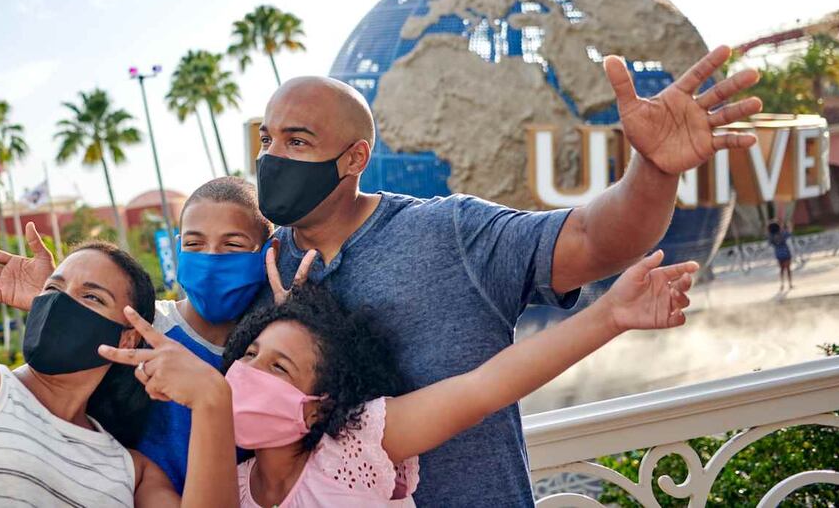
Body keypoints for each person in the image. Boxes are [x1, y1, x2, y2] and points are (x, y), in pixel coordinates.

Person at [248, 45, 759, 506]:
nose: (272, 157)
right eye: (268, 139)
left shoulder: (449, 232)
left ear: (356, 157)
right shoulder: (259, 268)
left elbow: (595, 241)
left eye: (297, 142)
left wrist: (654, 168)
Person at [102, 249, 697, 507]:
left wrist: (610, 315)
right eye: (248, 353)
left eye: (278, 365)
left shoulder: (355, 443)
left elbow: (485, 386)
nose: (248, 373)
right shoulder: (227, 487)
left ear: (317, 405)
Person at [0, 176, 314, 493]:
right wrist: (56, 299)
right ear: (178, 248)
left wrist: (294, 322)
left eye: (232, 245)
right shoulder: (139, 326)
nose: (211, 257)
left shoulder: (266, 355)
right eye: (194, 243)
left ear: (270, 252)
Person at [0, 241, 236, 506]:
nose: (60, 305)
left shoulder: (131, 471)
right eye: (53, 290)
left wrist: (213, 400)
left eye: (91, 297)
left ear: (127, 337)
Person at [767, 219, 794, 290]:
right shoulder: (783, 234)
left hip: (778, 253)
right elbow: (790, 233)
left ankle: (782, 284)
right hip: (786, 252)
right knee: (788, 269)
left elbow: (769, 243)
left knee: (781, 269)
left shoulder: (771, 236)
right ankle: (790, 284)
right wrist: (788, 224)